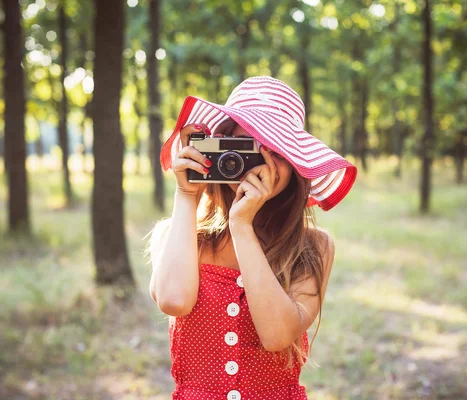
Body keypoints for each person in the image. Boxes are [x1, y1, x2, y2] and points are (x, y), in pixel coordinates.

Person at [146, 76, 357, 400]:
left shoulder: (313, 248)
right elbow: (174, 301)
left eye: (275, 150)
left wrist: (242, 226)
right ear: (216, 154)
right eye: (243, 148)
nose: (256, 164)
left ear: (295, 165)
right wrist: (186, 195)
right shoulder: (179, 235)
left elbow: (276, 335)